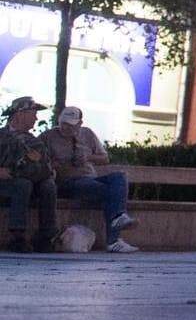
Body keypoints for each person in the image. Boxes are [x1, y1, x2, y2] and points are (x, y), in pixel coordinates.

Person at [41, 106, 137, 253]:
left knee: (119, 177)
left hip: (90, 177)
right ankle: (115, 237)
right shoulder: (48, 136)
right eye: (63, 123)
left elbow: (105, 158)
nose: (66, 128)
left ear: (79, 123)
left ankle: (118, 220)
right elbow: (39, 160)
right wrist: (53, 164)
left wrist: (88, 158)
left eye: (71, 125)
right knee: (109, 192)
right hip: (68, 181)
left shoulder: (87, 134)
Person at [1, 97, 58, 253]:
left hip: (27, 181)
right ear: (19, 114)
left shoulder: (35, 142)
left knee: (48, 186)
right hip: (5, 183)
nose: (36, 118)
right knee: (22, 184)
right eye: (33, 114)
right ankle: (17, 237)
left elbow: (46, 168)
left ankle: (46, 237)